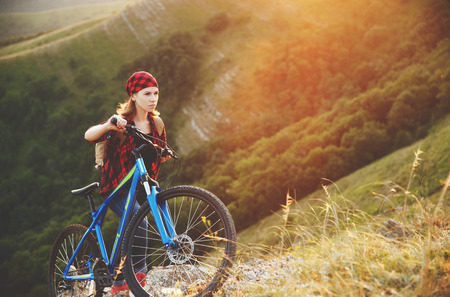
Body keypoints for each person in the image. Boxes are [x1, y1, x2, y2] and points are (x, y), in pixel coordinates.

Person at [85, 71, 169, 296]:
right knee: (137, 220)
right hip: (117, 187)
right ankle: (134, 275)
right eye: (147, 93)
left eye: (156, 93)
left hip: (143, 184)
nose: (153, 98)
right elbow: (89, 135)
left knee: (162, 202)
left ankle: (173, 243)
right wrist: (108, 126)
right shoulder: (121, 122)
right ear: (133, 95)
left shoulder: (156, 123)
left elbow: (160, 155)